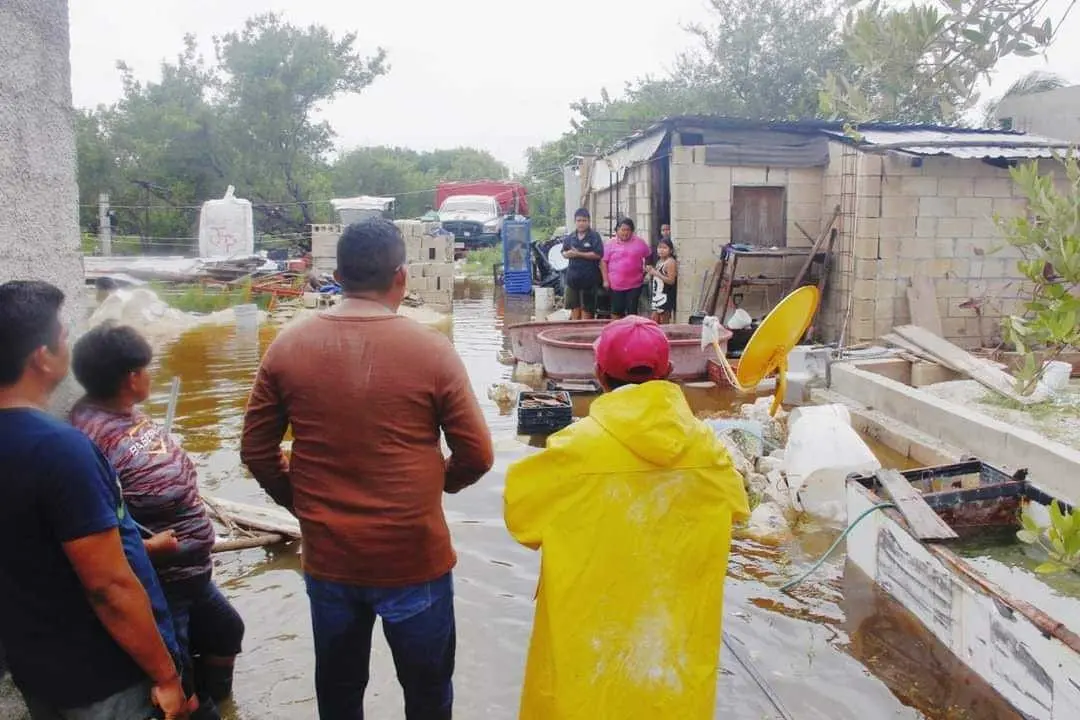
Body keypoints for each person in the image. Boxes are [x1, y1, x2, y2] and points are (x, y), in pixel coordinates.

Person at [241, 218, 494, 720]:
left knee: (339, 694)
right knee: (427, 697)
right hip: (413, 559)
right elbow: (479, 455)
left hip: (330, 559)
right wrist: (431, 486)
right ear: (401, 276)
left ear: (337, 275)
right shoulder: (432, 351)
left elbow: (255, 450)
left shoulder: (287, 348)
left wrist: (300, 501)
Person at [503, 316, 750, 720]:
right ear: (668, 374)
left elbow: (521, 519)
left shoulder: (571, 451)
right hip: (669, 664)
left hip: (590, 658)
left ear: (599, 375)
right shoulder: (708, 452)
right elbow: (737, 507)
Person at [0, 280, 192, 720]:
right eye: (63, 335)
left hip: (35, 666)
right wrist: (166, 676)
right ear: (42, 358)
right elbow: (108, 586)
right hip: (103, 676)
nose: (69, 342)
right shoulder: (60, 449)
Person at [70, 322, 246, 719]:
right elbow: (94, 531)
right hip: (163, 590)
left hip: (193, 576)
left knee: (226, 631)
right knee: (180, 691)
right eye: (146, 369)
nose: (151, 375)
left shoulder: (126, 412)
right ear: (131, 377)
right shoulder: (89, 439)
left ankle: (220, 700)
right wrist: (150, 550)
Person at [601, 217, 652, 319]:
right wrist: (605, 280)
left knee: (632, 313)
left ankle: (630, 334)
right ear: (617, 230)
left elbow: (648, 255)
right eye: (622, 230)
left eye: (628, 230)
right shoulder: (610, 243)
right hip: (616, 285)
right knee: (616, 311)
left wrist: (644, 272)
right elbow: (603, 262)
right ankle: (616, 333)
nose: (625, 233)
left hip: (634, 285)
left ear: (632, 231)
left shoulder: (639, 242)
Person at [561, 208, 604, 320]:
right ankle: (574, 332)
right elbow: (563, 252)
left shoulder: (594, 236)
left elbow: (598, 254)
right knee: (574, 308)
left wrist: (578, 254)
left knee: (587, 309)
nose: (581, 223)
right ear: (575, 221)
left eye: (584, 220)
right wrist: (568, 254)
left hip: (589, 280)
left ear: (588, 221)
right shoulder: (570, 237)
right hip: (572, 279)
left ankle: (585, 333)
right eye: (579, 220)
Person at [647, 238, 678, 324]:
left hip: (665, 297)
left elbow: (671, 281)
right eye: (659, 247)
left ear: (670, 250)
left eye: (664, 248)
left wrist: (656, 273)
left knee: (663, 324)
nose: (661, 250)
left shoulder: (670, 262)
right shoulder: (659, 261)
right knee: (654, 322)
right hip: (656, 296)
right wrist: (650, 272)